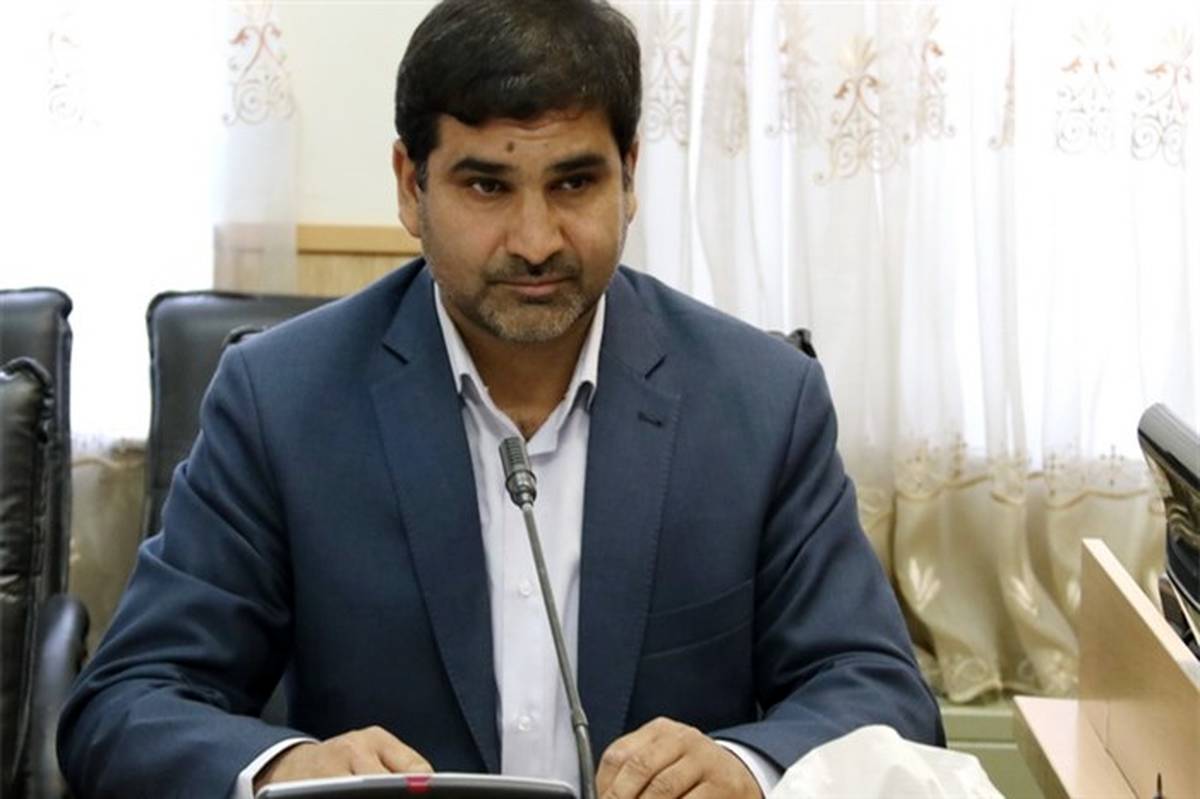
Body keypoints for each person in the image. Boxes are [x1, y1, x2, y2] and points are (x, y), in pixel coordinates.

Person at [57, 1, 944, 797]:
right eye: (487, 185)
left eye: (575, 183)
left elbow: (880, 696)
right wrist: (286, 769)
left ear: (630, 175)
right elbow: (127, 704)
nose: (535, 240)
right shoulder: (280, 401)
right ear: (411, 186)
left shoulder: (762, 402)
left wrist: (749, 767)